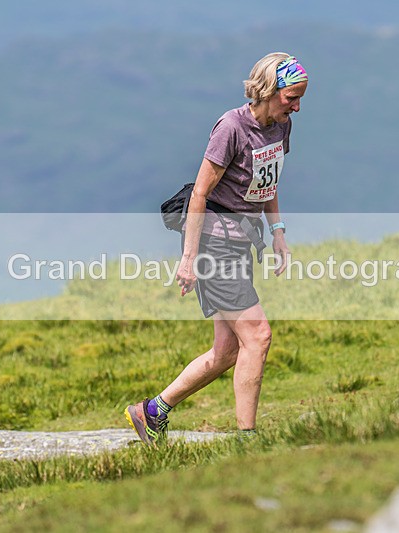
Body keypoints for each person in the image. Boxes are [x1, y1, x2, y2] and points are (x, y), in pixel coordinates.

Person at [125, 52, 308, 445]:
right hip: (214, 243)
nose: (296, 106)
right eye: (291, 97)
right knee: (258, 336)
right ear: (268, 90)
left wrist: (277, 232)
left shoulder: (281, 126)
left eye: (299, 99)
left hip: (243, 241)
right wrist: (188, 260)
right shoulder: (231, 128)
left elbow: (269, 183)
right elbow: (200, 193)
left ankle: (152, 411)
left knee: (226, 350)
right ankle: (247, 441)